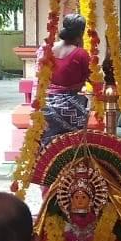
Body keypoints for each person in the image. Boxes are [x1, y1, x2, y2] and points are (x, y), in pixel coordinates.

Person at [40, 13, 93, 148]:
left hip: (46, 104)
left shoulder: (47, 48)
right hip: (71, 108)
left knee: (47, 147)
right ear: (81, 33)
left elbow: (40, 75)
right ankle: (74, 158)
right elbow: (94, 79)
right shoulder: (81, 54)